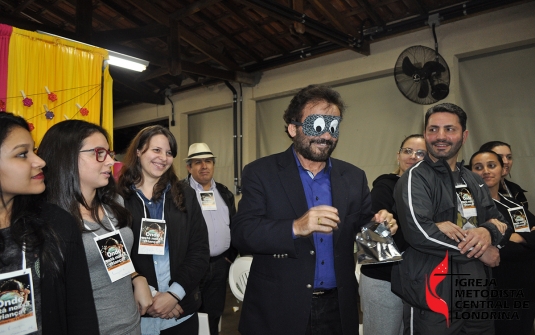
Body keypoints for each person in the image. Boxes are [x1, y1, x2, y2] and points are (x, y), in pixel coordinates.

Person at [231, 84, 397, 335]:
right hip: (278, 309)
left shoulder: (353, 177)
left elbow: (367, 240)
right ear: (292, 128)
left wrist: (382, 228)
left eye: (334, 127)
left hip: (338, 309)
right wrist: (296, 227)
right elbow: (243, 233)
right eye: (316, 126)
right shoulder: (261, 172)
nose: (327, 135)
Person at [392, 103, 511, 335]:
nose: (440, 136)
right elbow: (420, 232)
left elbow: (500, 223)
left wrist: (487, 232)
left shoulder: (473, 180)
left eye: (449, 129)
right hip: (433, 298)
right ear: (425, 133)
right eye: (433, 129)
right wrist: (480, 250)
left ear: (464, 135)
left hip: (477, 297)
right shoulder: (415, 178)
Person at [38, 120, 151, 335]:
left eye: (109, 152)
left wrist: (136, 277)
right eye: (99, 153)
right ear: (67, 157)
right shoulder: (49, 221)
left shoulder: (114, 203)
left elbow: (115, 257)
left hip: (132, 326)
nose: (110, 160)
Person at [0, 113, 99, 334]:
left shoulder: (56, 223)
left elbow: (80, 310)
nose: (40, 161)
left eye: (33, 151)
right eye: (22, 154)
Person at [118, 125, 209, 335]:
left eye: (169, 153)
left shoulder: (185, 195)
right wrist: (149, 296)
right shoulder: (117, 198)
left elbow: (199, 251)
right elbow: (114, 255)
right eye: (156, 150)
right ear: (139, 151)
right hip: (137, 317)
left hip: (180, 313)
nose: (163, 158)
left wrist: (173, 295)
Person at [360, 134, 426, 335]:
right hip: (383, 279)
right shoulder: (385, 185)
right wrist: (384, 221)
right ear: (398, 155)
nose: (413, 156)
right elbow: (372, 238)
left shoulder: (428, 191)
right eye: (408, 151)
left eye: (420, 153)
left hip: (415, 280)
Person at [470, 150, 535, 335]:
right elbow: (491, 249)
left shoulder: (513, 204)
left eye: (491, 165)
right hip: (497, 291)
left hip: (527, 287)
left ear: (502, 169)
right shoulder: (471, 208)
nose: (486, 171)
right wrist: (525, 242)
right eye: (478, 167)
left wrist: (518, 237)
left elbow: (503, 244)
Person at [184, 142, 236, 335]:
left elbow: (234, 225)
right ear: (189, 167)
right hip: (192, 266)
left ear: (213, 165)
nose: (204, 166)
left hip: (220, 264)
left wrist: (230, 256)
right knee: (190, 314)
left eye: (208, 161)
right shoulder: (179, 194)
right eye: (198, 162)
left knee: (214, 314)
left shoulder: (224, 193)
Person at [479, 141, 528, 209]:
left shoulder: (515, 190)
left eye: (509, 157)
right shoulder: (473, 190)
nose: (506, 161)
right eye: (499, 157)